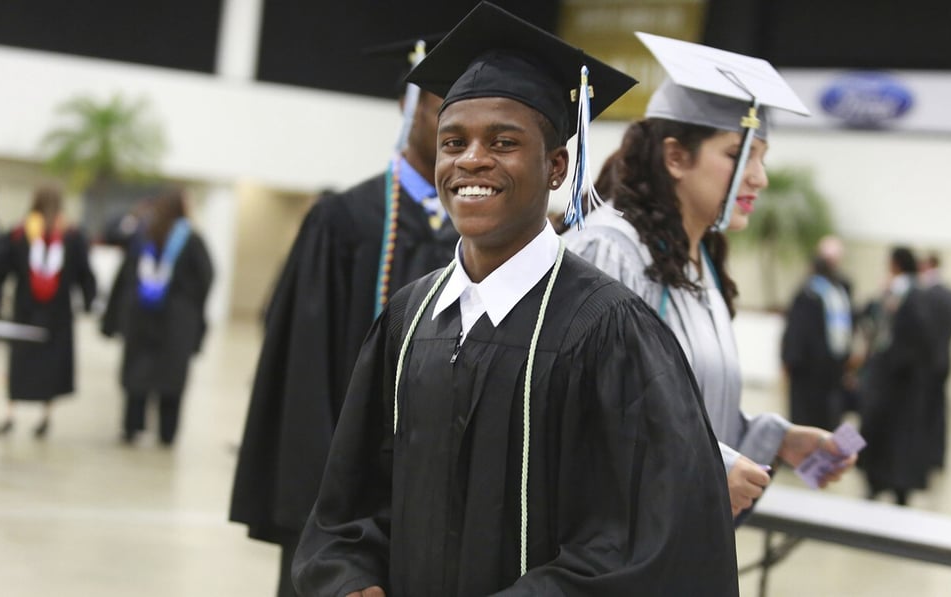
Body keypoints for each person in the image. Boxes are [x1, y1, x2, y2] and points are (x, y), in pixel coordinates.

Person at [292, 4, 738, 595]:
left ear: (556, 168)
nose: (471, 160)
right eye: (454, 142)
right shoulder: (409, 319)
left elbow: (646, 540)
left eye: (503, 142)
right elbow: (349, 508)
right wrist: (353, 583)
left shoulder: (610, 330)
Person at [564, 32, 856, 520]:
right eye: (739, 154)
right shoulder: (609, 250)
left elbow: (685, 407)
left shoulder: (698, 263)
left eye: (762, 155)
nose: (759, 177)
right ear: (676, 156)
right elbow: (583, 413)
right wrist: (702, 464)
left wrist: (777, 439)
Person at [229, 36, 460, 597]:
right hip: (342, 503)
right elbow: (303, 376)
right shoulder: (344, 223)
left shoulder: (473, 235)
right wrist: (323, 512)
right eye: (446, 112)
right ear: (410, 112)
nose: (462, 135)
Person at [101, 189, 213, 446]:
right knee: (170, 377)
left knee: (138, 373)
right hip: (177, 320)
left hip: (141, 316)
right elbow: (206, 277)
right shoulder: (192, 240)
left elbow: (124, 277)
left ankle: (132, 427)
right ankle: (167, 432)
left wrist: (113, 318)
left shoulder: (144, 235)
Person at [0, 185, 96, 438]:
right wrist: (89, 302)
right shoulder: (71, 234)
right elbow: (86, 274)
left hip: (26, 310)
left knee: (21, 363)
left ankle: (10, 414)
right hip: (58, 314)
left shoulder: (20, 232)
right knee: (51, 366)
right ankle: (46, 416)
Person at [858, 246, 934, 505]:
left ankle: (893, 485)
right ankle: (879, 481)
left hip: (898, 380)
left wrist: (891, 365)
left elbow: (913, 337)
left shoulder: (911, 294)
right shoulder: (900, 292)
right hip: (893, 379)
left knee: (896, 435)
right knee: (885, 433)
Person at [781, 235, 854, 430]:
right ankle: (829, 453)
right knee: (829, 413)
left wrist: (789, 359)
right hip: (832, 363)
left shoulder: (809, 292)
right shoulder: (838, 290)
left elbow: (797, 329)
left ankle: (810, 455)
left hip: (809, 367)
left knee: (807, 415)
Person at [919, 251, 951, 470]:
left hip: (927, 364)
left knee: (925, 410)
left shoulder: (927, 295)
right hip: (944, 361)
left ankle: (925, 454)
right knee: (939, 411)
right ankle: (937, 456)